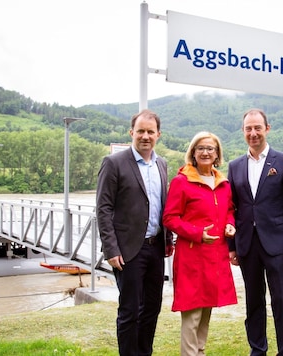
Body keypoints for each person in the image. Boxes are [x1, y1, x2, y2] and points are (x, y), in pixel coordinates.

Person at [96, 109, 174, 356]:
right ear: (132, 133)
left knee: (152, 307)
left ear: (158, 135)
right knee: (130, 310)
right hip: (128, 250)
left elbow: (163, 205)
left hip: (155, 248)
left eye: (150, 132)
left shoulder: (162, 164)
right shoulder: (114, 163)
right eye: (140, 131)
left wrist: (168, 238)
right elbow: (103, 208)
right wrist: (111, 249)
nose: (145, 136)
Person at [227, 108, 283, 356]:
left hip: (278, 246)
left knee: (281, 303)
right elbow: (232, 209)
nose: (253, 133)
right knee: (254, 302)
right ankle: (257, 350)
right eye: (248, 128)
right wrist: (233, 247)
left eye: (257, 128)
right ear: (243, 131)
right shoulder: (235, 165)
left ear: (267, 129)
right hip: (248, 245)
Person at [162, 131, 238, 356]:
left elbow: (230, 210)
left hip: (216, 256)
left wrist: (230, 225)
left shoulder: (222, 183)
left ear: (217, 154)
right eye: (201, 148)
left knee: (206, 311)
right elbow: (169, 217)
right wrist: (196, 233)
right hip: (192, 257)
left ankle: (200, 352)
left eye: (210, 149)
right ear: (193, 153)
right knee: (192, 314)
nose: (205, 152)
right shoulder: (181, 182)